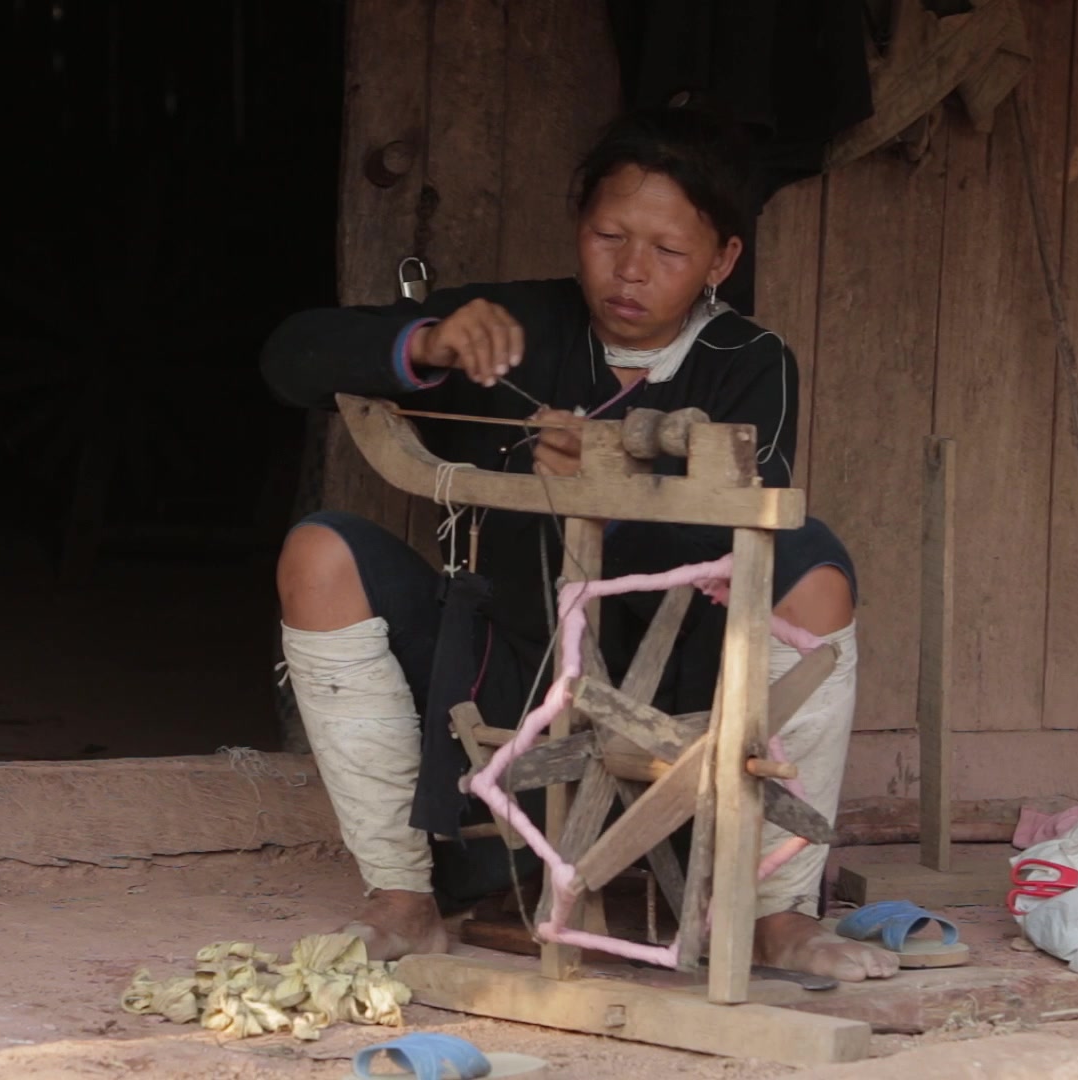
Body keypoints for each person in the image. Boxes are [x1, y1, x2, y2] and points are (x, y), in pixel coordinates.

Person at [260, 106, 895, 983]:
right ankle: (403, 899)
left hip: (681, 677)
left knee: (813, 569)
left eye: (669, 253)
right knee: (321, 556)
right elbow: (290, 358)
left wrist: (611, 486)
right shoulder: (513, 328)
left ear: (723, 261)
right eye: (608, 235)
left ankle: (775, 913)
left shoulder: (749, 359)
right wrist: (424, 342)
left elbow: (741, 519)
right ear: (578, 229)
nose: (631, 271)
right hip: (515, 665)